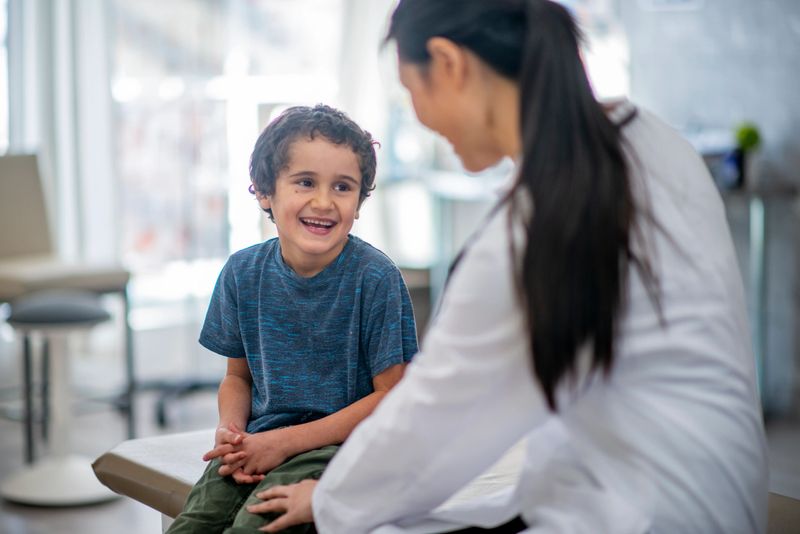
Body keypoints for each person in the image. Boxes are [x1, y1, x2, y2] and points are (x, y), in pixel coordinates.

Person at [248, 1, 769, 533]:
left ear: (449, 64)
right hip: (718, 493)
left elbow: (434, 418)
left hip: (646, 510)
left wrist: (331, 497)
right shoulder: (652, 141)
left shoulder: (532, 229)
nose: (421, 118)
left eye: (412, 92)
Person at [166, 104, 419, 533]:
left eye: (343, 187)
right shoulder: (241, 273)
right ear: (265, 192)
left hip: (341, 448)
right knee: (193, 525)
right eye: (305, 182)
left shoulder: (376, 278)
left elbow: (391, 397)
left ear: (359, 203)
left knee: (255, 526)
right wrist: (232, 432)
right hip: (261, 440)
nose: (323, 202)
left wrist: (282, 443)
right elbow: (238, 378)